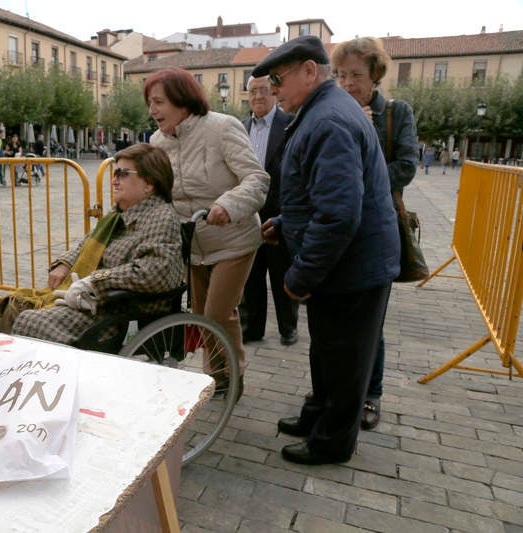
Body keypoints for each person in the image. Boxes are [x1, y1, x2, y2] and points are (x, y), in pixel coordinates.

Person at [255, 35, 399, 464]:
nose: (274, 90)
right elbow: (321, 196)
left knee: (344, 360)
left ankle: (332, 442)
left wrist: (300, 278)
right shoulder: (320, 112)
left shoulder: (328, 120)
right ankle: (317, 415)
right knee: (327, 351)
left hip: (351, 268)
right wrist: (285, 223)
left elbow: (338, 216)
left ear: (309, 72)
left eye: (278, 80)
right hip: (343, 265)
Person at [144, 67, 270, 400]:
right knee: (201, 316)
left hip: (234, 238)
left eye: (158, 102)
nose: (152, 111)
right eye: (149, 103)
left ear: (182, 99)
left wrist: (228, 205)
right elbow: (158, 191)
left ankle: (231, 374)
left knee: (217, 313)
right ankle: (213, 376)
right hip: (192, 242)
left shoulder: (222, 127)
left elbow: (257, 180)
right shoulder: (157, 141)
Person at [331, 36, 420, 430]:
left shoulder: (395, 113)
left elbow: (406, 166)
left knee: (372, 322)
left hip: (379, 227)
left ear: (376, 75)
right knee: (338, 317)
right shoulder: (334, 112)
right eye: (341, 75)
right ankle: (336, 392)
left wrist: (368, 146)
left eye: (356, 75)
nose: (348, 83)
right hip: (341, 228)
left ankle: (372, 394)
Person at [10, 143, 183, 345]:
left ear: (149, 182)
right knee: (11, 306)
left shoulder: (160, 218)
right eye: (114, 173)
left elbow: (154, 273)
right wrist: (66, 262)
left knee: (28, 321)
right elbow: (88, 241)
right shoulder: (120, 212)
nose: (114, 180)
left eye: (123, 173)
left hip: (120, 313)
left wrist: (94, 280)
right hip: (94, 301)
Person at [238, 75, 299, 346]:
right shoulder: (240, 127)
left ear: (274, 92)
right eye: (252, 91)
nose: (258, 96)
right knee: (251, 276)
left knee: (281, 274)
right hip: (249, 213)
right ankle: (252, 328)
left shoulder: (291, 125)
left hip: (281, 213)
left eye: (263, 90)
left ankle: (288, 327)